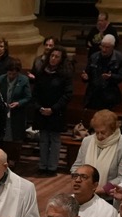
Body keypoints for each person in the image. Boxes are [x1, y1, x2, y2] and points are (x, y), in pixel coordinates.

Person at [32, 46, 73, 176]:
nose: (53, 58)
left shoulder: (64, 75)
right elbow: (35, 93)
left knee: (54, 140)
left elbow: (67, 94)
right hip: (42, 111)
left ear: (61, 59)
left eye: (57, 57)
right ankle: (42, 165)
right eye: (52, 56)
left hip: (56, 112)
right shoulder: (41, 73)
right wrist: (39, 107)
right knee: (43, 139)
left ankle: (52, 167)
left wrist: (53, 109)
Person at [71, 110, 122, 192]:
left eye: (103, 132)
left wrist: (104, 189)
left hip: (109, 195)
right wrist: (78, 180)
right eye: (96, 132)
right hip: (84, 191)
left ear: (113, 129)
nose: (99, 136)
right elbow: (76, 166)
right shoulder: (87, 141)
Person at [82, 35, 122, 111]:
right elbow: (87, 74)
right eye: (102, 46)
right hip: (93, 93)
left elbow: (121, 76)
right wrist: (85, 77)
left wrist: (111, 76)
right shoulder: (94, 57)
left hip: (109, 94)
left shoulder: (119, 58)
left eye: (107, 47)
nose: (104, 50)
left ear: (113, 47)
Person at [0, 59, 32, 142]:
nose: (11, 75)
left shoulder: (24, 80)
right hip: (3, 112)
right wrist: (2, 103)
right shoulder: (1, 79)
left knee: (15, 137)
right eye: (9, 73)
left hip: (17, 114)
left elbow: (28, 97)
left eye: (14, 74)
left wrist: (18, 103)